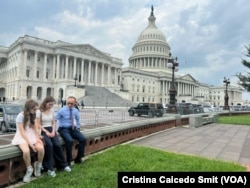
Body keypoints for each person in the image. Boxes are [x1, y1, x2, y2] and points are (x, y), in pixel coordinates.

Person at [36, 96, 71, 177]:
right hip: (43, 130)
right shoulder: (39, 111)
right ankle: (49, 168)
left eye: (52, 105)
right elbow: (38, 124)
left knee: (57, 145)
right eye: (49, 104)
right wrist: (46, 132)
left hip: (51, 129)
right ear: (45, 103)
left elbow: (53, 122)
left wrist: (53, 131)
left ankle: (63, 165)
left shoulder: (51, 110)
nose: (51, 106)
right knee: (49, 146)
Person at [11, 99, 44, 183]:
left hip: (32, 135)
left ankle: (38, 166)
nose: (36, 110)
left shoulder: (34, 114)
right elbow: (22, 132)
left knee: (41, 148)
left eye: (36, 109)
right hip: (22, 136)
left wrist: (37, 138)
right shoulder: (20, 116)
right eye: (34, 109)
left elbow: (35, 128)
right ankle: (29, 169)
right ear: (28, 108)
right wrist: (30, 144)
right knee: (26, 151)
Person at [56, 96, 86, 165]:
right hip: (63, 129)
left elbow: (78, 119)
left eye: (71, 103)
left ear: (75, 103)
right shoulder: (62, 110)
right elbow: (55, 119)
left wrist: (78, 127)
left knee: (83, 139)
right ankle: (69, 160)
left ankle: (78, 158)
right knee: (69, 141)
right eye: (68, 103)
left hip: (73, 128)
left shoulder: (75, 111)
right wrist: (55, 130)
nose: (69, 105)